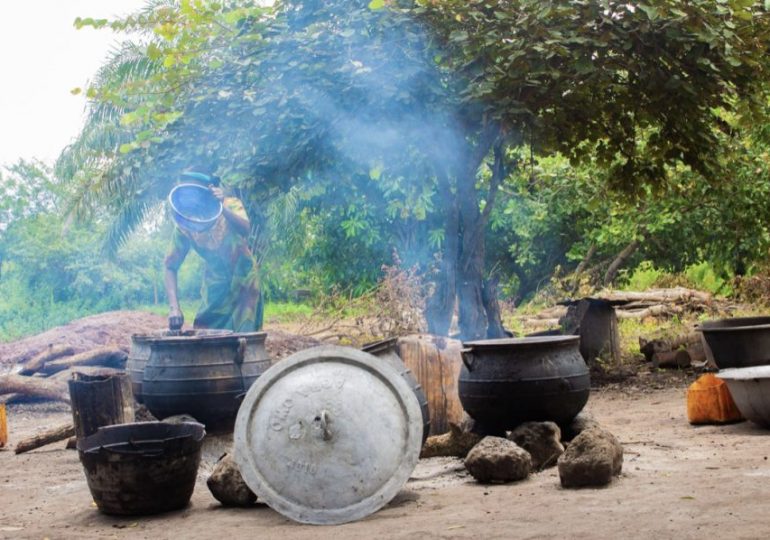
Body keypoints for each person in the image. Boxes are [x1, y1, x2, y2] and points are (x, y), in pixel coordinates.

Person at [164, 170, 263, 332]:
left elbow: (245, 229)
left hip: (245, 283)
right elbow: (170, 266)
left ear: (209, 190)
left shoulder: (230, 204)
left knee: (244, 336)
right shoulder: (184, 224)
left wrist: (222, 206)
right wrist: (174, 307)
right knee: (204, 333)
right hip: (215, 287)